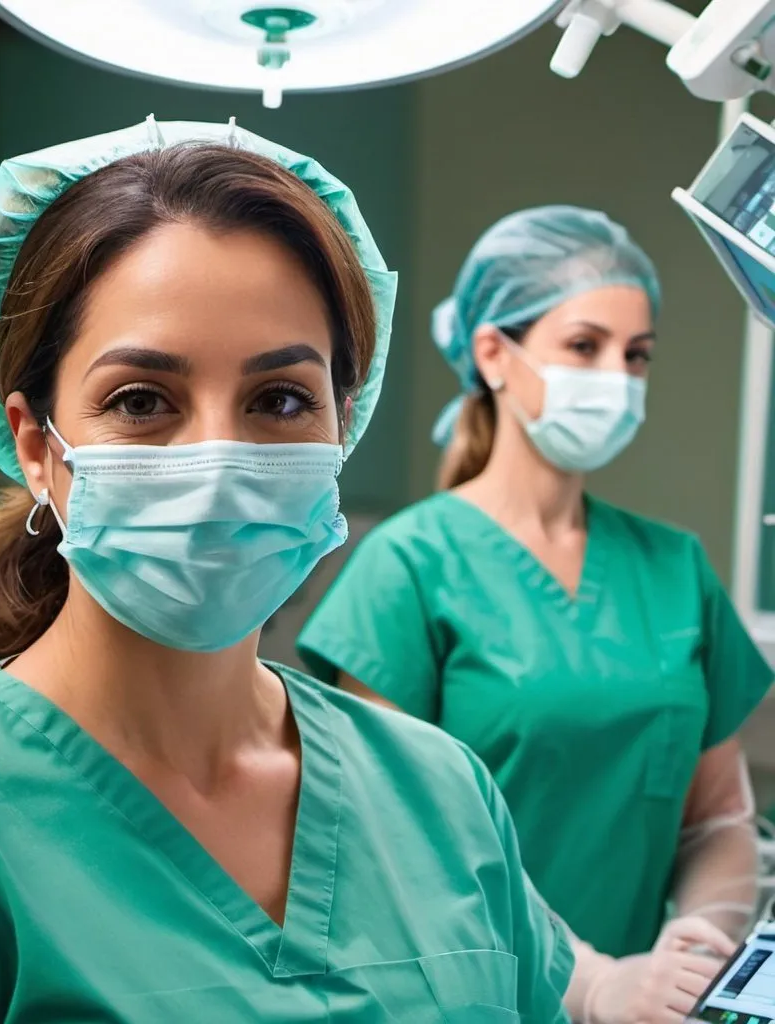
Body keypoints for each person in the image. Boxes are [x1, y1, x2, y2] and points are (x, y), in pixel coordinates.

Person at [0, 119, 573, 1022]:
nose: (218, 458)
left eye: (282, 399)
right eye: (141, 401)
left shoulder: (443, 799)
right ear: (36, 445)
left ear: (343, 421)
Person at [297, 205, 773, 1022]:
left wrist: (696, 944)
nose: (617, 377)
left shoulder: (673, 568)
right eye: (585, 347)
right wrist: (587, 985)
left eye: (638, 355)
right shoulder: (408, 569)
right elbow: (400, 846)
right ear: (493, 354)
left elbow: (719, 821)